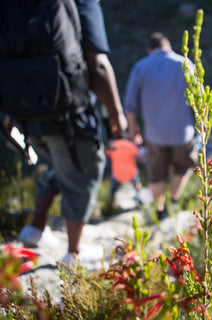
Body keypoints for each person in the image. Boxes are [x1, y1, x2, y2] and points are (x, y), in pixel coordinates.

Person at [16, 0, 128, 265]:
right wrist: (116, 113)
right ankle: (74, 252)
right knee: (84, 172)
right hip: (67, 112)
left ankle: (34, 229)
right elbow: (98, 65)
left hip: (25, 109)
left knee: (54, 165)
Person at [124, 32, 197, 220]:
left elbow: (130, 104)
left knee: (156, 174)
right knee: (184, 166)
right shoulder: (185, 63)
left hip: (154, 133)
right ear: (169, 47)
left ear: (150, 50)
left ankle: (160, 210)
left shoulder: (140, 67)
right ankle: (173, 199)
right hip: (183, 132)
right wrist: (201, 126)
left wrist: (133, 129)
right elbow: (197, 99)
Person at [105, 137, 143, 207]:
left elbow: (106, 156)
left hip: (117, 174)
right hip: (131, 174)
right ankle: (139, 197)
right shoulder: (131, 145)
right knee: (137, 180)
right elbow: (139, 158)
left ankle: (110, 206)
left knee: (113, 189)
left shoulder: (112, 145)